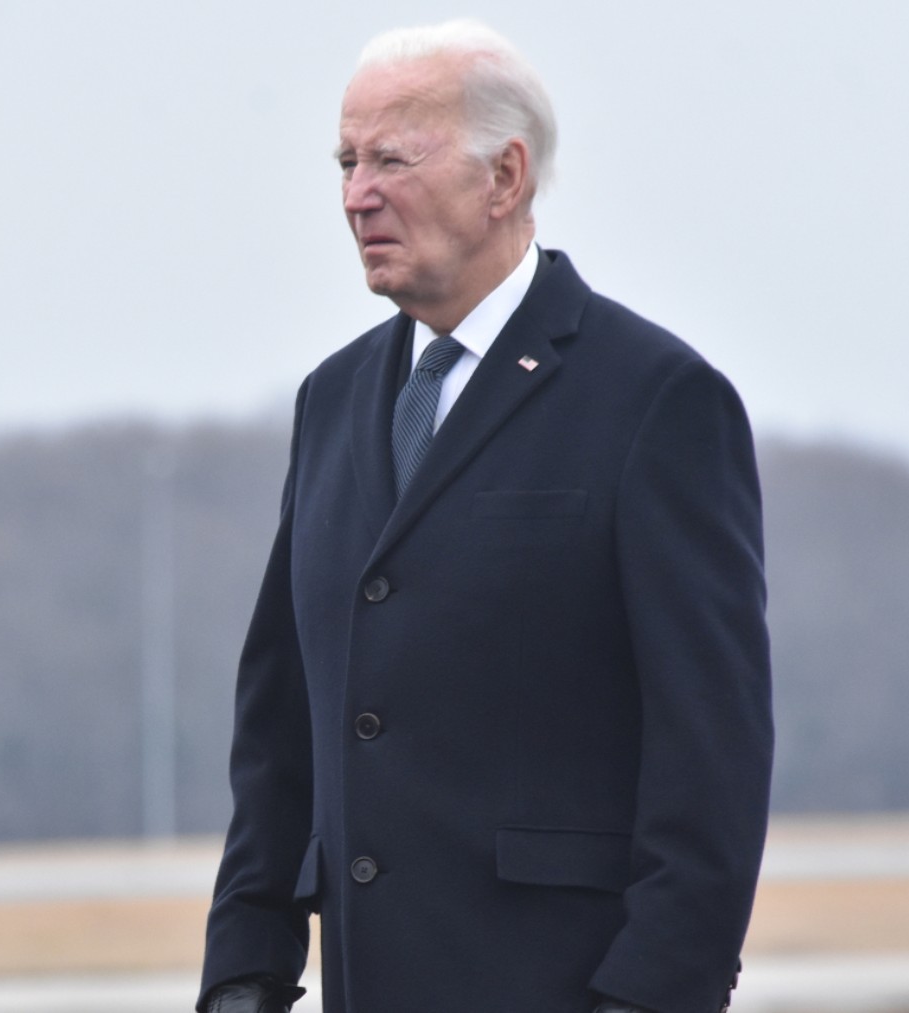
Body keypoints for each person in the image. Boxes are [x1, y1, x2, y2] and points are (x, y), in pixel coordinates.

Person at [199, 20, 771, 1013]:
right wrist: (243, 968)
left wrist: (651, 995)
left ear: (504, 177)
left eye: (390, 159)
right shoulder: (330, 403)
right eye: (345, 161)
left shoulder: (655, 400)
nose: (355, 195)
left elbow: (711, 757)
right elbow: (282, 722)